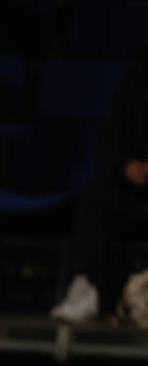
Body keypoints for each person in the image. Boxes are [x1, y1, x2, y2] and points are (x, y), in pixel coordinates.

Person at [51, 49, 148, 322]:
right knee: (98, 191)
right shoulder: (139, 75)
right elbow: (111, 134)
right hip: (137, 176)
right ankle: (87, 287)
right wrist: (125, 165)